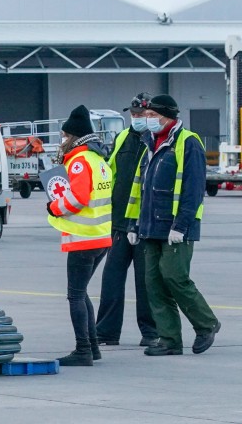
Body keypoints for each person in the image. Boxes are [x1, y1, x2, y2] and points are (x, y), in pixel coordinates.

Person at [124, 94, 221, 356]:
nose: (149, 119)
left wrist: (182, 224)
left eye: (153, 116)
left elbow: (193, 187)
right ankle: (169, 339)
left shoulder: (187, 142)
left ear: (168, 117)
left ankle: (206, 324)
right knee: (153, 282)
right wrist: (133, 224)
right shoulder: (150, 143)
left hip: (176, 227)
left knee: (174, 276)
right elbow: (140, 189)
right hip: (150, 226)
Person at [46, 105, 113, 367]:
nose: (62, 141)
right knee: (82, 293)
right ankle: (93, 347)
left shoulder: (79, 162)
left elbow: (78, 198)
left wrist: (54, 206)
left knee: (75, 295)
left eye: (64, 136)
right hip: (101, 237)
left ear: (74, 136)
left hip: (83, 237)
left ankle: (83, 350)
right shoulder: (99, 160)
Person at [95, 93, 159, 347]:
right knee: (111, 279)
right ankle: (106, 332)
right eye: (133, 114)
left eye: (141, 115)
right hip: (120, 222)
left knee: (146, 282)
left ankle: (151, 332)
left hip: (146, 224)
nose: (136, 118)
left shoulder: (159, 142)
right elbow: (110, 173)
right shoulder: (123, 137)